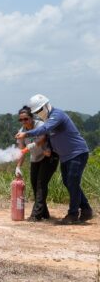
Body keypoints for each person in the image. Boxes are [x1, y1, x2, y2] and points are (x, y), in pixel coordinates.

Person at [16, 94, 94, 224]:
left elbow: (45, 129)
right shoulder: (48, 119)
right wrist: (49, 148)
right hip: (65, 156)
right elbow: (52, 137)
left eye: (39, 110)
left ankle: (73, 215)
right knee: (68, 182)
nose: (39, 114)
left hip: (77, 153)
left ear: (46, 106)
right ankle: (86, 210)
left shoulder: (57, 115)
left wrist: (27, 133)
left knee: (72, 182)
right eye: (36, 112)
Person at [15, 106, 58, 221]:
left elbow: (44, 137)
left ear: (31, 118)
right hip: (35, 158)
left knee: (41, 184)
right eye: (21, 120)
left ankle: (36, 215)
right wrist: (18, 167)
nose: (24, 122)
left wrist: (34, 144)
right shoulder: (21, 132)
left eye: (26, 119)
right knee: (35, 185)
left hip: (48, 156)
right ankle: (44, 214)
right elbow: (22, 151)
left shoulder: (39, 124)